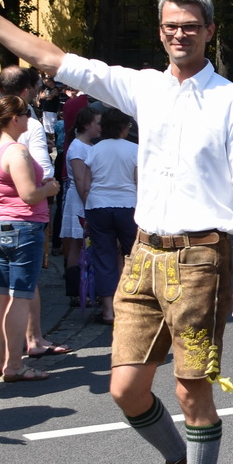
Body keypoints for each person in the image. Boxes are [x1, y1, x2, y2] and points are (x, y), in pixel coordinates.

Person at [0, 0, 233, 464]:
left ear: (209, 32)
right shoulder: (143, 87)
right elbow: (54, 58)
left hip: (203, 256)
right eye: (170, 25)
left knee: (190, 388)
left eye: (190, 25)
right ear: (161, 32)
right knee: (125, 388)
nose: (179, 33)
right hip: (143, 254)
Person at [0, 95, 59, 383]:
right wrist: (49, 189)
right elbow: (28, 194)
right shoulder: (17, 151)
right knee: (21, 297)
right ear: (15, 118)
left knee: (0, 294)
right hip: (22, 225)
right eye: (26, 114)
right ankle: (13, 365)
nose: (29, 119)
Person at [83, 108, 139, 325]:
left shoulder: (94, 150)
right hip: (128, 205)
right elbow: (139, 183)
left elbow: (87, 184)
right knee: (132, 256)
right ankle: (131, 305)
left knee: (103, 256)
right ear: (124, 128)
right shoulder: (134, 149)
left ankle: (108, 310)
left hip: (98, 205)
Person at [60, 104, 101, 306]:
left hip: (84, 198)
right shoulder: (77, 147)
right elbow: (78, 179)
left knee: (81, 245)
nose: (100, 128)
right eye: (97, 124)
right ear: (86, 125)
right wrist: (88, 204)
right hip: (79, 201)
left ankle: (85, 289)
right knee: (77, 245)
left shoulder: (88, 146)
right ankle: (75, 291)